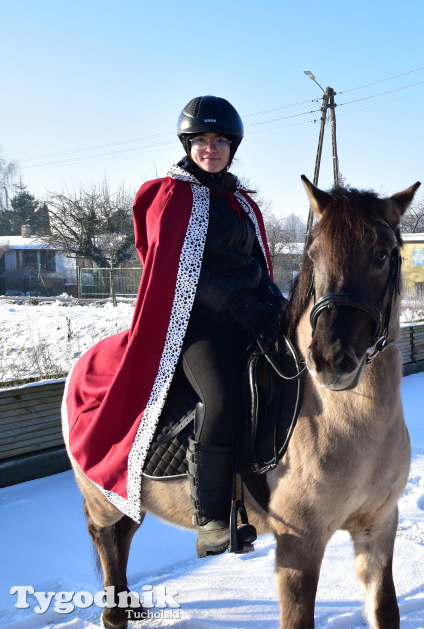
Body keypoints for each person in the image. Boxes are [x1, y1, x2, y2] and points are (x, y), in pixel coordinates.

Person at [64, 96, 286, 558]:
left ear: (232, 146)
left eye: (219, 140)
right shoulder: (173, 194)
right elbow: (175, 272)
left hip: (250, 319)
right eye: (201, 141)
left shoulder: (242, 202)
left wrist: (274, 305)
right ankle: (210, 518)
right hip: (197, 326)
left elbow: (258, 267)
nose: (211, 148)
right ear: (189, 145)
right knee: (223, 395)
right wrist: (236, 308)